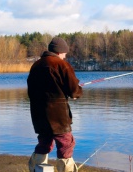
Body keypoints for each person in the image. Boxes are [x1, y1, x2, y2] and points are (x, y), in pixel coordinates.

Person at [27, 37, 83, 172]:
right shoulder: (61, 65)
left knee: (44, 142)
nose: (65, 56)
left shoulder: (36, 65)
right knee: (66, 144)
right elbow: (74, 90)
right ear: (60, 52)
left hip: (38, 114)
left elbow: (31, 91)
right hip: (58, 116)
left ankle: (36, 168)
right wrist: (76, 93)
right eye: (65, 53)